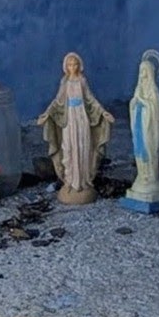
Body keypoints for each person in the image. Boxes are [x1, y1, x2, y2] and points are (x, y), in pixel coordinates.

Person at [36, 51, 114, 206]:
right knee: (69, 148)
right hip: (69, 118)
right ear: (66, 67)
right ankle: (70, 181)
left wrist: (103, 112)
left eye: (75, 64)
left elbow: (90, 99)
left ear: (80, 65)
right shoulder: (65, 82)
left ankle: (83, 182)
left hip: (82, 117)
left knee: (83, 147)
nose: (73, 67)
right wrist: (46, 114)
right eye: (70, 64)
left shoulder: (82, 81)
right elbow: (58, 100)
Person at [127, 49, 159, 201]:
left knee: (149, 150)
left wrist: (143, 102)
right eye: (141, 71)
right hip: (138, 123)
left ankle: (150, 177)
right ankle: (142, 175)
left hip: (148, 126)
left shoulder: (153, 89)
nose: (142, 74)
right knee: (139, 149)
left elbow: (155, 108)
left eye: (145, 71)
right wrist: (135, 103)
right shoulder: (138, 88)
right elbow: (133, 103)